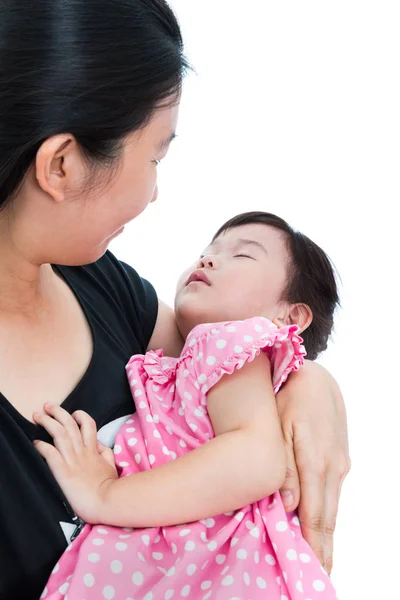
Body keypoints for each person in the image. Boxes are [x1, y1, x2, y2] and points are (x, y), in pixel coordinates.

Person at [0, 0, 350, 598]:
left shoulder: (104, 288)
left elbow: (223, 357)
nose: (156, 191)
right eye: (155, 155)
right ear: (60, 166)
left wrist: (310, 385)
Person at [35, 211, 339, 600]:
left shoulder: (229, 344)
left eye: (242, 256)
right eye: (208, 251)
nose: (208, 259)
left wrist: (104, 494)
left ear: (290, 316)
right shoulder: (184, 365)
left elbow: (256, 460)